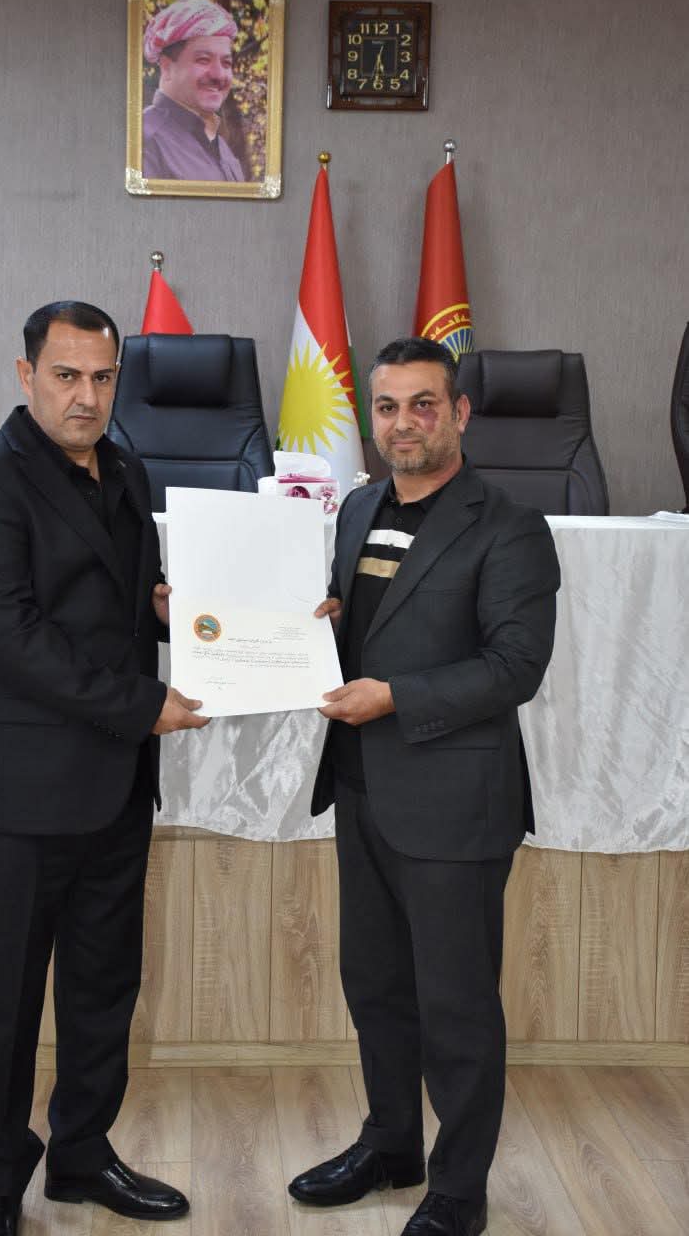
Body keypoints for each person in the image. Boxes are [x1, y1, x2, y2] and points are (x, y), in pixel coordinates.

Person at [0, 301, 208, 1236]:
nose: (86, 396)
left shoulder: (125, 470)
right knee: (1, 1002)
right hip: (12, 793)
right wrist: (141, 705)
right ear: (26, 376)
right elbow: (11, 640)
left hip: (113, 785)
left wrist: (181, 618)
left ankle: (83, 1157)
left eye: (101, 377)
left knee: (102, 989)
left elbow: (122, 610)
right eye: (65, 375)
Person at [287, 337, 560, 1236]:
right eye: (386, 406)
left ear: (458, 413)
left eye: (422, 405)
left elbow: (514, 667)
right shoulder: (358, 507)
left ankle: (458, 1189)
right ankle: (391, 1145)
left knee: (455, 1006)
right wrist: (302, 627)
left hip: (452, 803)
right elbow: (360, 628)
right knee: (374, 985)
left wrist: (395, 696)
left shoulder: (508, 526)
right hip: (360, 786)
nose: (402, 423)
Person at [142, 0, 245, 182]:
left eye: (226, 63)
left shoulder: (221, 146)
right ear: (167, 68)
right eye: (203, 60)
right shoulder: (146, 140)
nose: (218, 75)